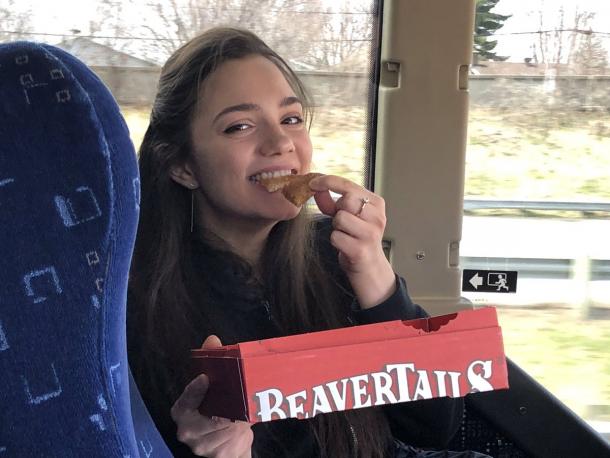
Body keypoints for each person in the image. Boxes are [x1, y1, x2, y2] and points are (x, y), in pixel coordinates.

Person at [127, 27, 486, 458]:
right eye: (239, 126)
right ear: (183, 166)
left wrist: (375, 274)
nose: (281, 144)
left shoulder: (333, 251)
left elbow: (435, 426)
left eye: (291, 119)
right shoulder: (140, 300)